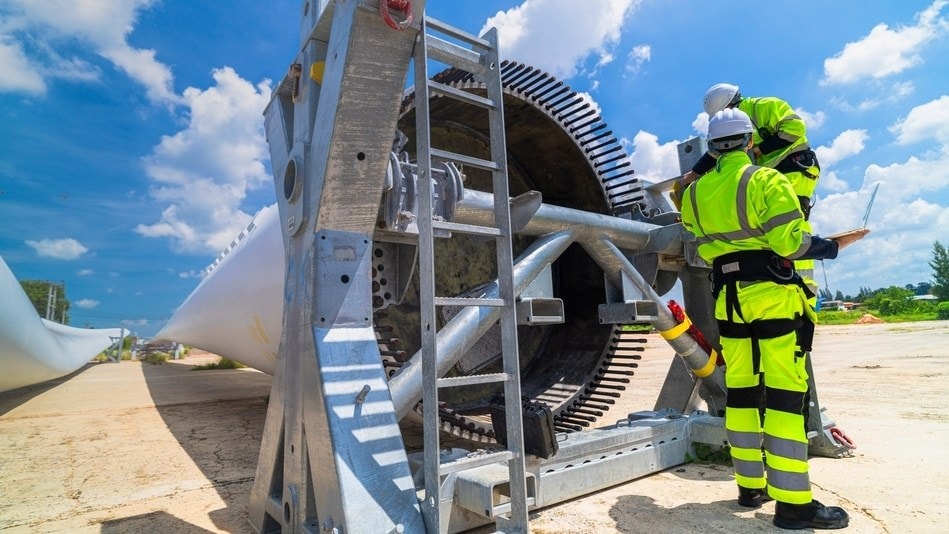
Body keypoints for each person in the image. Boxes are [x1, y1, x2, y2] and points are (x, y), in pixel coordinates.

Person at [679, 108, 866, 530]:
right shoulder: (767, 181)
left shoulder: (693, 194)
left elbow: (695, 229)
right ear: (749, 142)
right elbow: (790, 242)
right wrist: (835, 246)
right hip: (772, 296)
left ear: (712, 147)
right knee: (784, 395)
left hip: (728, 299)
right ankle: (794, 506)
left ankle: (750, 487)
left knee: (742, 392)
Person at [681, 83, 822, 298]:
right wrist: (694, 173)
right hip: (773, 173)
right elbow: (721, 148)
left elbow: (795, 129)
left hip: (794, 166)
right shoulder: (738, 125)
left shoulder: (764, 106)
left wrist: (759, 149)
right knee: (769, 222)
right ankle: (776, 271)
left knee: (789, 221)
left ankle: (802, 284)